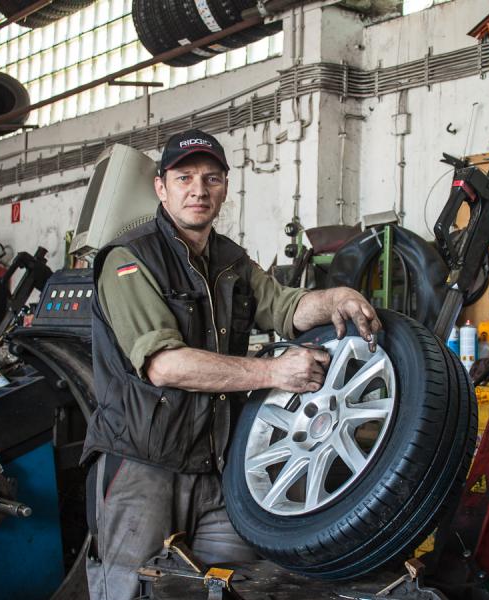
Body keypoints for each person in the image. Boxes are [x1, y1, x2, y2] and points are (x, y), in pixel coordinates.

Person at [82, 129, 381, 599]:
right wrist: (273, 372)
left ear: (225, 188)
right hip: (144, 468)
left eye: (211, 178)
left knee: (235, 588)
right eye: (184, 178)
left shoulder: (230, 261)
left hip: (219, 466)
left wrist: (334, 298)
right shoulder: (130, 260)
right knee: (133, 590)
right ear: (161, 188)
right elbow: (165, 365)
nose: (198, 190)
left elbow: (284, 307)